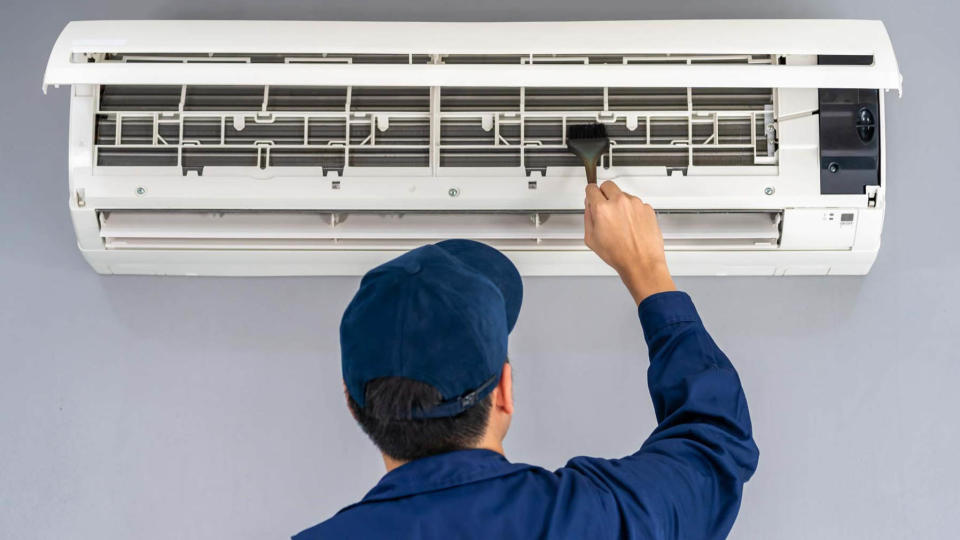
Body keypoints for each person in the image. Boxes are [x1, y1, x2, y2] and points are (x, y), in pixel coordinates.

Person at [294, 181, 759, 540]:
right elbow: (715, 444)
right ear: (505, 390)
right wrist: (648, 273)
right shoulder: (599, 521)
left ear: (352, 402)